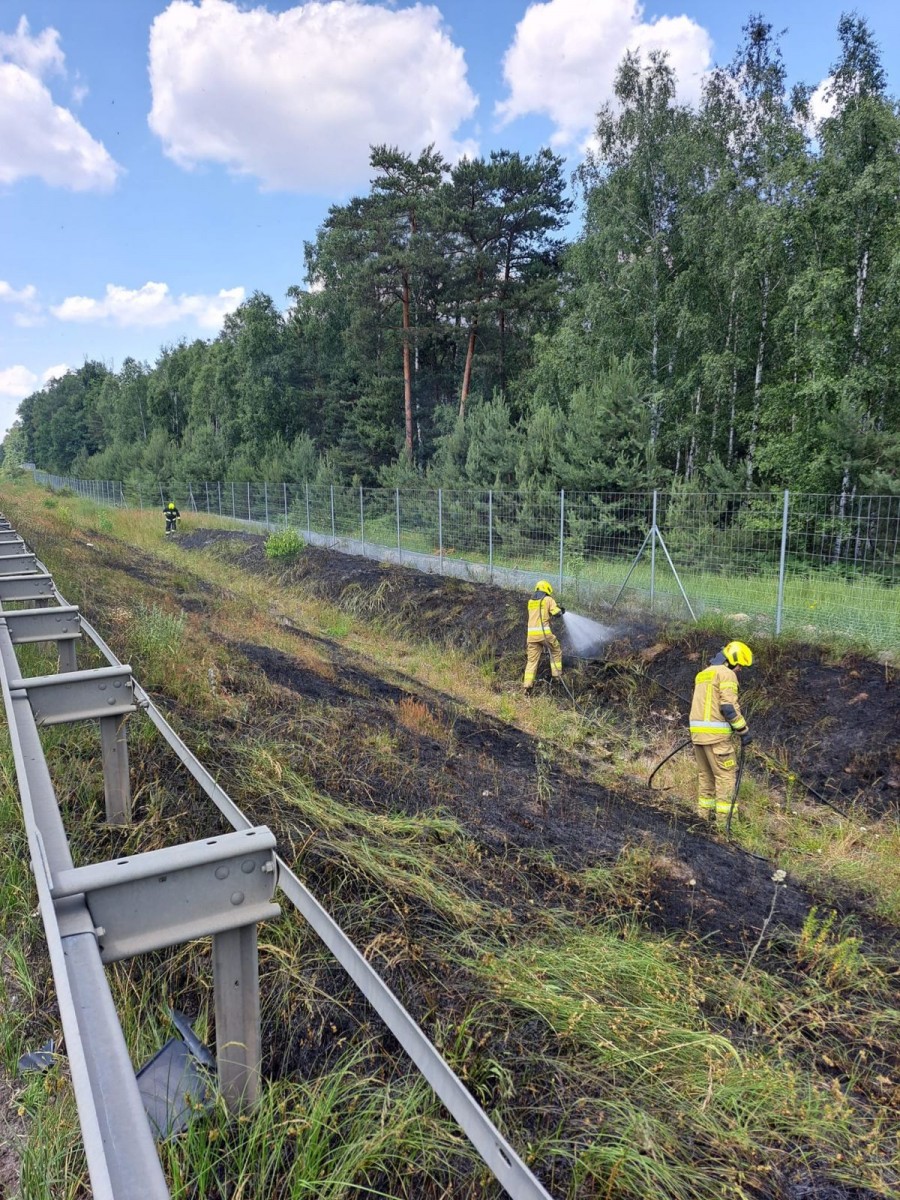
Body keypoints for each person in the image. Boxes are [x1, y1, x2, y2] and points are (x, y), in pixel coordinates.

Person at [689, 640, 753, 822]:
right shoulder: (726, 675)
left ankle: (703, 817)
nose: (740, 668)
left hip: (698, 737)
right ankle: (725, 822)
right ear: (732, 660)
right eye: (739, 664)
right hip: (717, 739)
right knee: (725, 776)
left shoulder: (703, 674)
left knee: (706, 776)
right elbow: (728, 707)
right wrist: (743, 731)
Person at [523, 580, 565, 693]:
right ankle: (557, 677)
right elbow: (556, 613)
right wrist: (561, 610)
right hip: (544, 634)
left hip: (531, 636)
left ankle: (527, 686)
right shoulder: (548, 599)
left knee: (532, 661)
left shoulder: (530, 602)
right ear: (547, 589)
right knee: (556, 650)